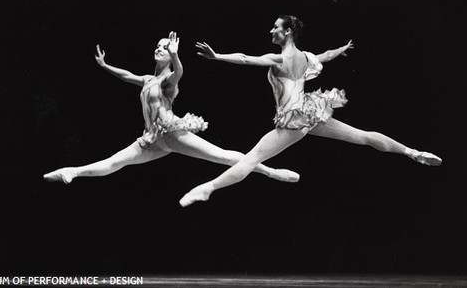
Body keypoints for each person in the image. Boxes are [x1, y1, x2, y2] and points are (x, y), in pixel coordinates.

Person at [179, 15, 442, 207]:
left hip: (294, 120)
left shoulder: (279, 59)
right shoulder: (305, 57)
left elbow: (247, 58)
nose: (271, 31)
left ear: (288, 31)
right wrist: (341, 50)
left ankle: (207, 188)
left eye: (276, 28)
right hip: (311, 112)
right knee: (363, 136)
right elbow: (325, 55)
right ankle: (412, 152)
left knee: (251, 159)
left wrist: (218, 57)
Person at [43, 31, 299, 185]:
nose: (159, 48)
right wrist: (105, 65)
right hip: (152, 139)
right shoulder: (147, 79)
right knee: (113, 163)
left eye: (164, 47)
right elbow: (126, 75)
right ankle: (72, 172)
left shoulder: (168, 80)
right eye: (158, 46)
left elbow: (179, 72)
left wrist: (176, 55)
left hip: (171, 132)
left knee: (220, 156)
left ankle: (270, 171)